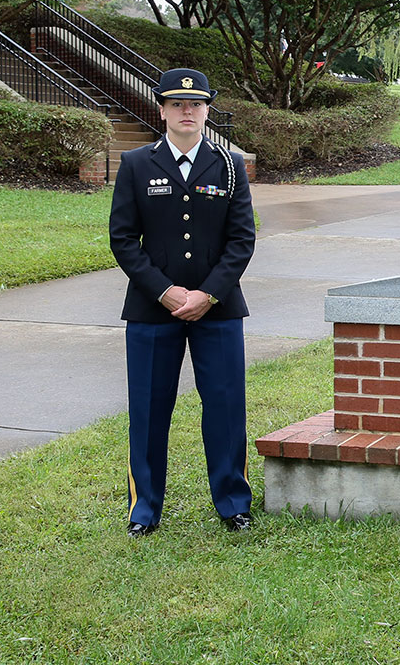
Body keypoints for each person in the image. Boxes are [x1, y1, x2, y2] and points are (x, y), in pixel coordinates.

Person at [109, 68, 255, 537]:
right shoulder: (135, 164)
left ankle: (233, 503)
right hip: (154, 309)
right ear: (162, 110)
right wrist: (165, 290)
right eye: (177, 104)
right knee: (150, 408)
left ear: (207, 109)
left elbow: (242, 239)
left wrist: (208, 293)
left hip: (218, 308)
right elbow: (123, 239)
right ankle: (144, 508)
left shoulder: (230, 165)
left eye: (195, 105)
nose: (186, 112)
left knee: (226, 404)